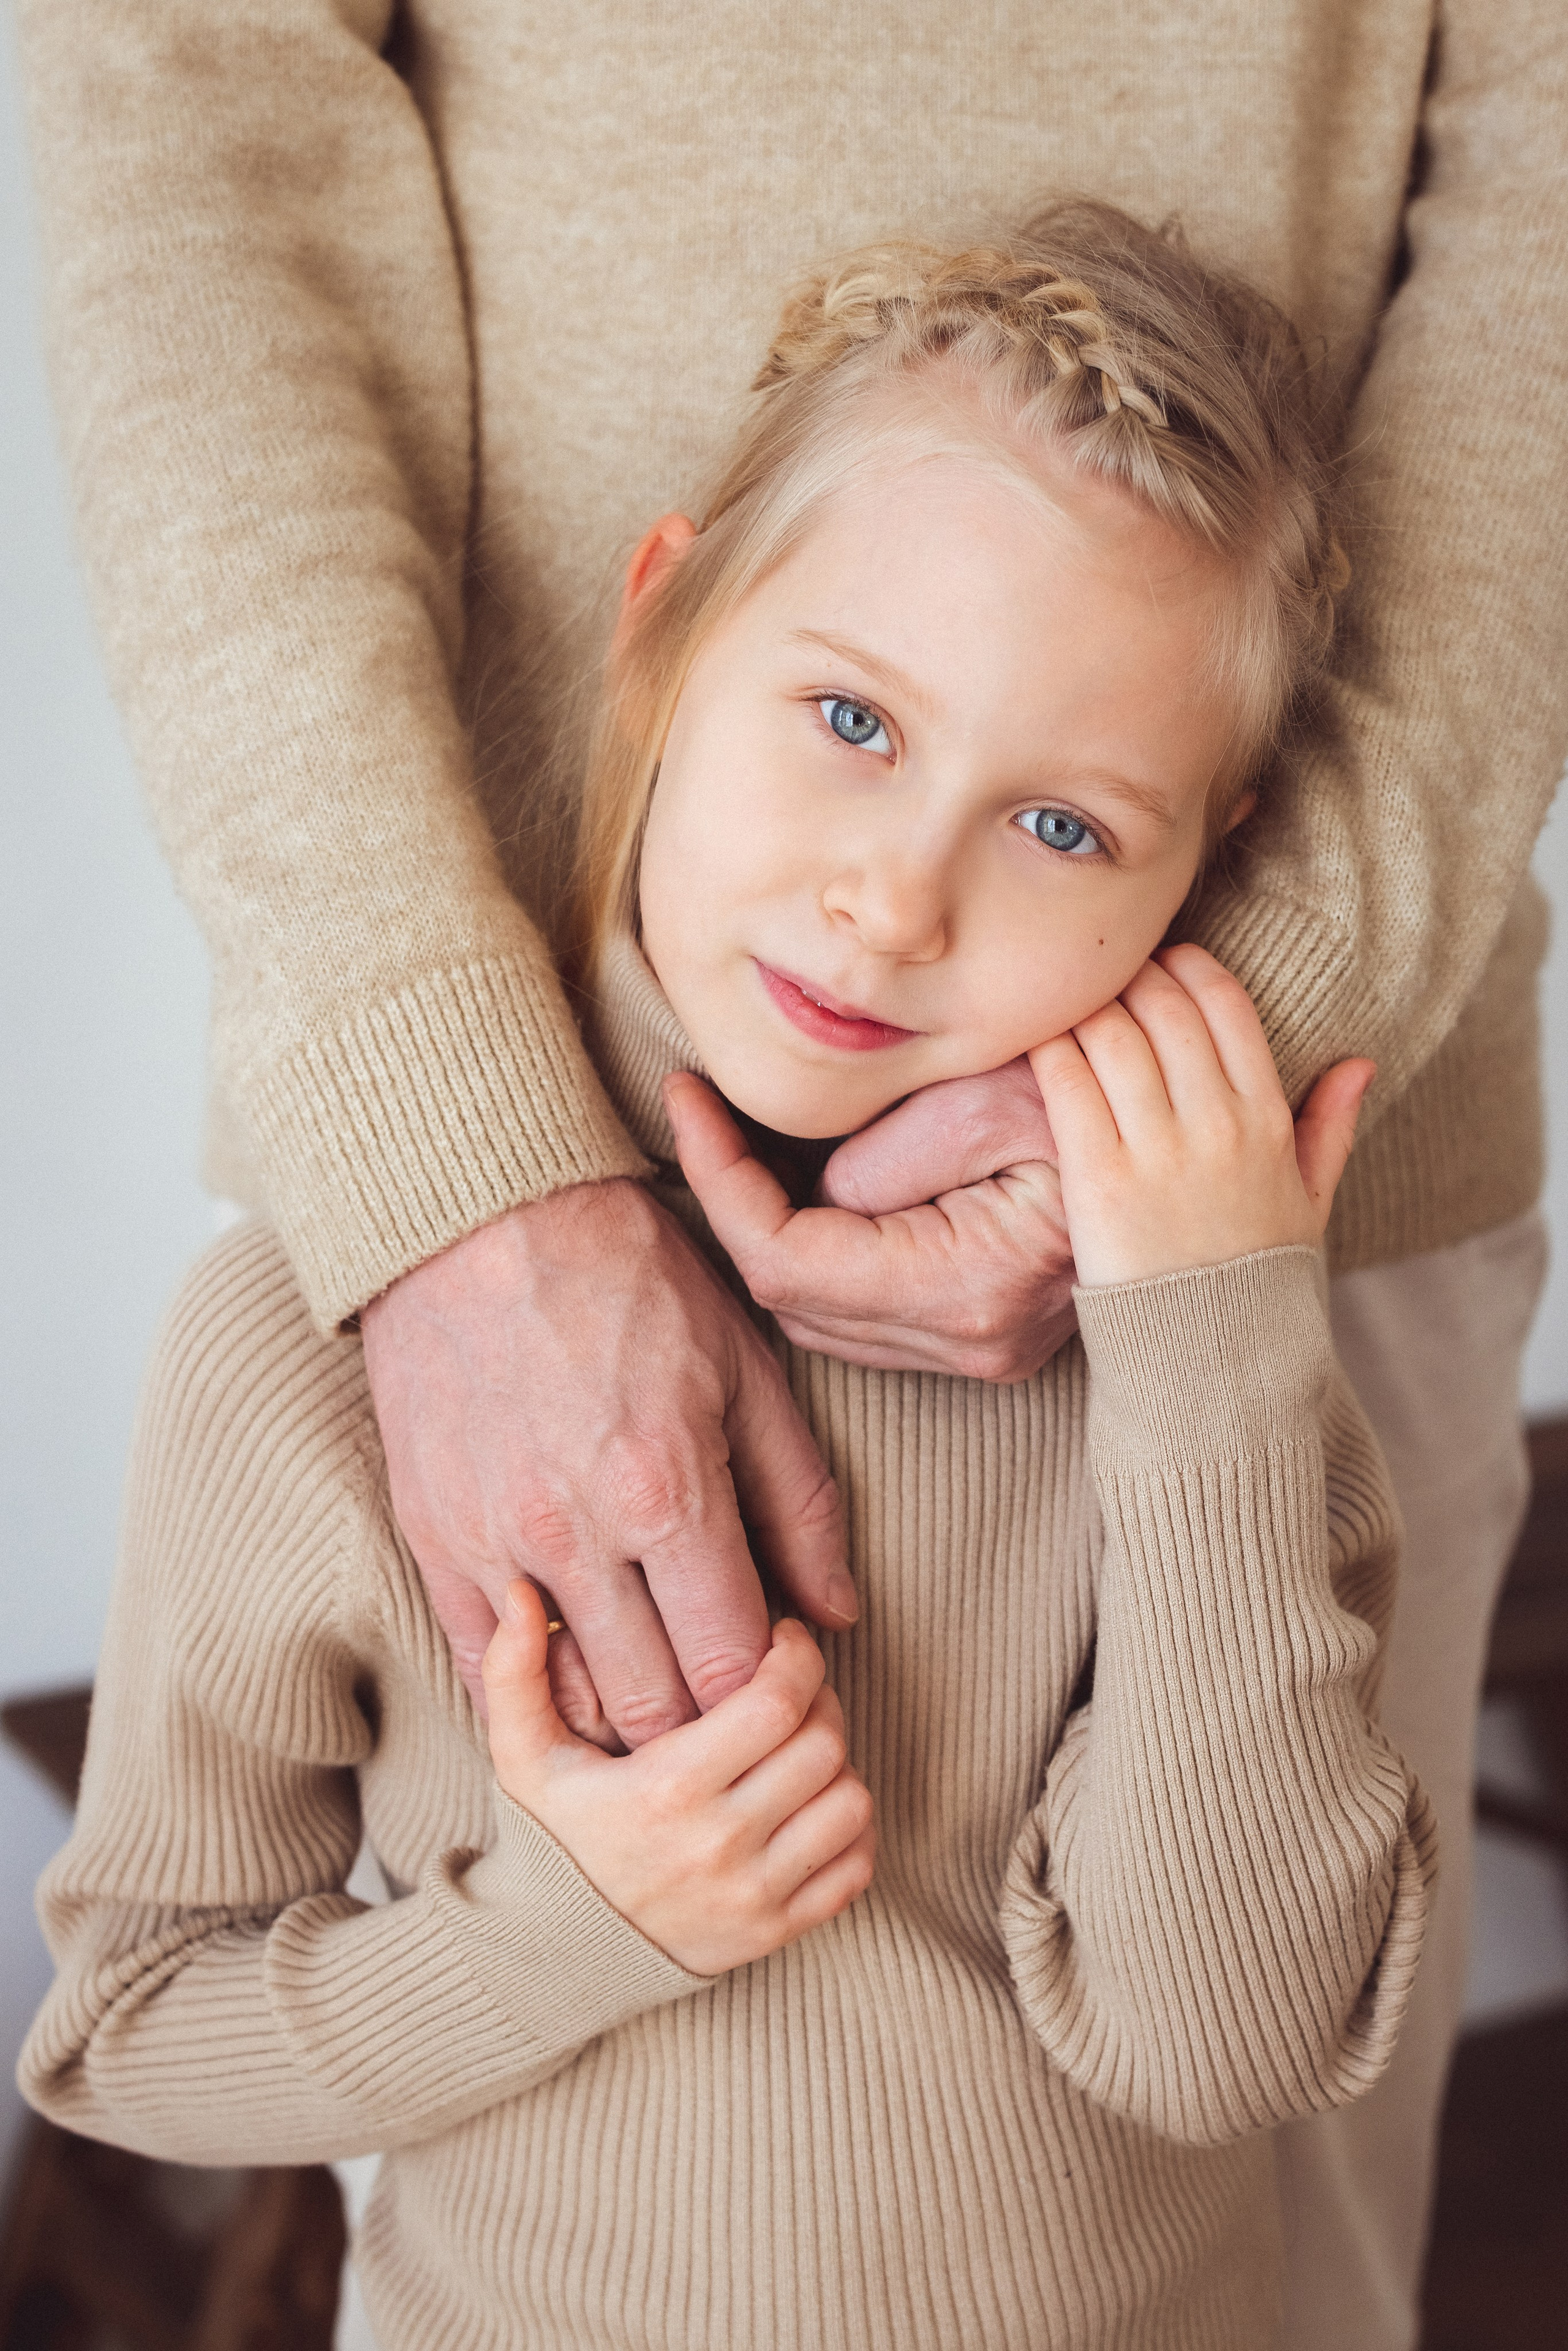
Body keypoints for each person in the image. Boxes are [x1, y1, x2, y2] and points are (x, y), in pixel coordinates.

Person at [15, 4, 1566, 2340]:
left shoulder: (1224, 1356)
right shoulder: (291, 1379)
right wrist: (566, 1927)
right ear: (671, 615)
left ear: (1196, 849)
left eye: (1058, 824)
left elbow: (1228, 2042)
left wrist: (1211, 1237)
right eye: (848, 719)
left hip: (1242, 1208)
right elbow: (133, 2034)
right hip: (476, 1173)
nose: (893, 903)